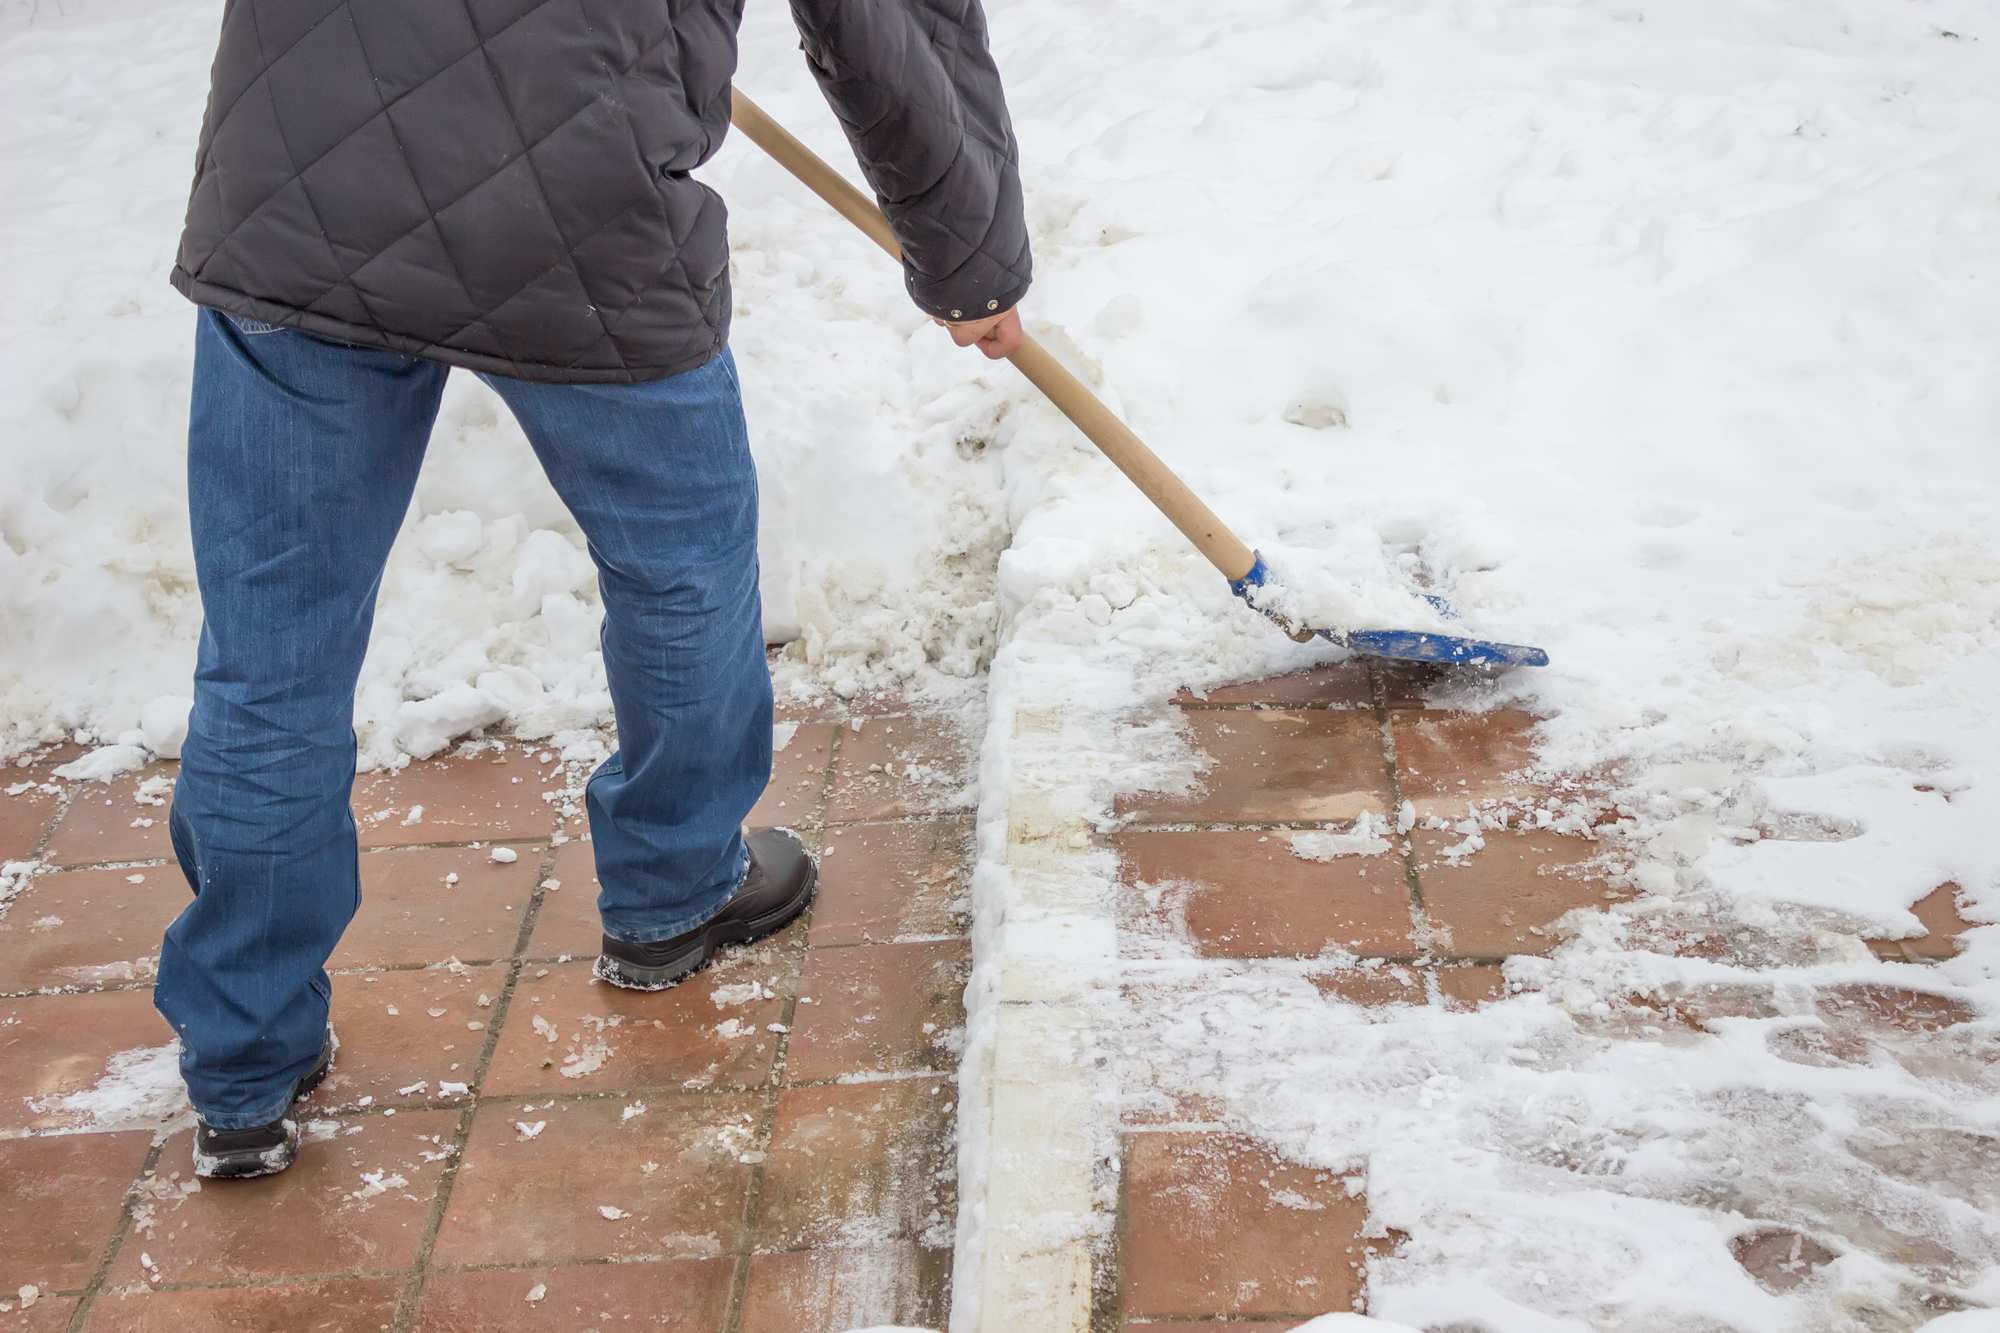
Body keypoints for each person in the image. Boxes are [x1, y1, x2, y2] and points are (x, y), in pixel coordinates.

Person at [157, 0, 1032, 1180]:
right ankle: (675, 885)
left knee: (271, 656)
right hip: (576, 211)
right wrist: (969, 259)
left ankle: (242, 1061)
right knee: (680, 568)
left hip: (295, 190)